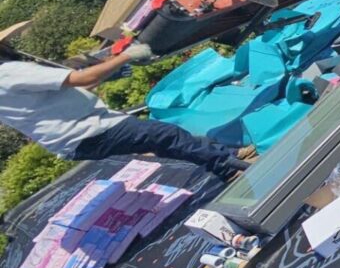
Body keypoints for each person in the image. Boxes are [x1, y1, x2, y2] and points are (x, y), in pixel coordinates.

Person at [0, 22, 248, 175]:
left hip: (75, 137)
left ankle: (225, 157)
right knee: (165, 135)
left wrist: (104, 72)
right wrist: (126, 56)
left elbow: (75, 86)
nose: (13, 47)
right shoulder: (10, 72)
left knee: (161, 140)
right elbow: (83, 79)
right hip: (86, 131)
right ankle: (226, 166)